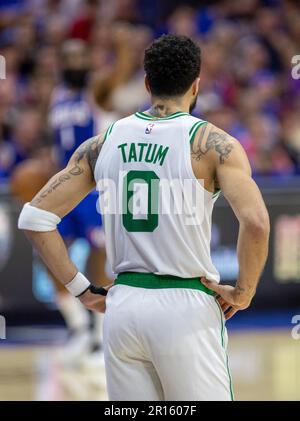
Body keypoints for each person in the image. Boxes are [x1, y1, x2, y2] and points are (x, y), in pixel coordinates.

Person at [18, 34, 270, 401]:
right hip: (186, 306)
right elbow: (257, 223)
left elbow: (35, 218)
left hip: (123, 309)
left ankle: (79, 329)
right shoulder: (215, 144)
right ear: (197, 85)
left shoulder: (104, 140)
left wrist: (83, 292)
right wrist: (244, 293)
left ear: (148, 83)